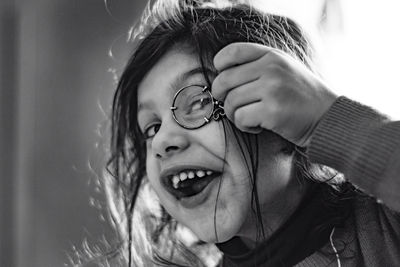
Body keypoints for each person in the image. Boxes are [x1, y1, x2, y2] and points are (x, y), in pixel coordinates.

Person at [106, 0, 400, 266]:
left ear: (290, 111)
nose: (162, 141)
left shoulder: (384, 227)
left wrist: (325, 117)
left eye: (197, 102)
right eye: (151, 127)